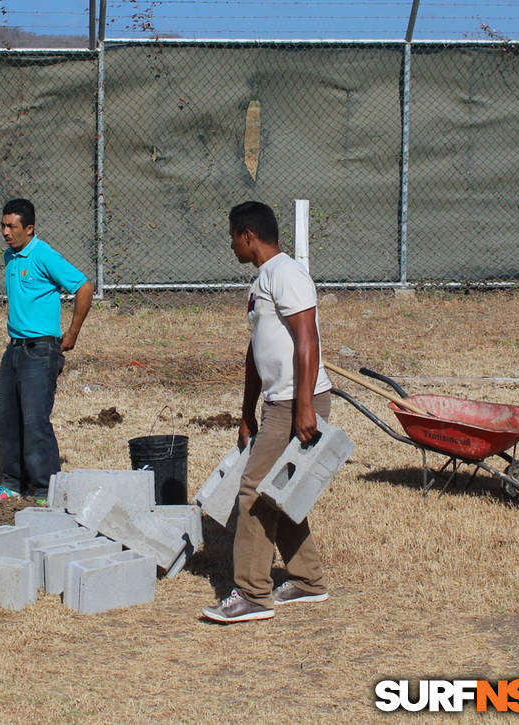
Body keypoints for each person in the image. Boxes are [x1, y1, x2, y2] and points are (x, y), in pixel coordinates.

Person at [203, 200, 334, 624]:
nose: (230, 245)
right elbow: (255, 351)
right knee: (280, 493)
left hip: (296, 403)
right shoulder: (262, 281)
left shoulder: (287, 274)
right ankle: (307, 580)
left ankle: (253, 595)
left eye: (231, 237)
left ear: (248, 235)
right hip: (277, 402)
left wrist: (304, 408)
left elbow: (306, 338)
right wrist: (246, 412)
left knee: (254, 493)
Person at [0, 198, 94, 505]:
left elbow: (83, 286)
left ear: (29, 229)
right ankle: (12, 482)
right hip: (15, 349)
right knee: (6, 419)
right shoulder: (10, 257)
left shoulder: (44, 255)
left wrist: (72, 332)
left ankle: (47, 489)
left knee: (35, 420)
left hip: (41, 349)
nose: (5, 232)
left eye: (12, 226)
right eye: (3, 225)